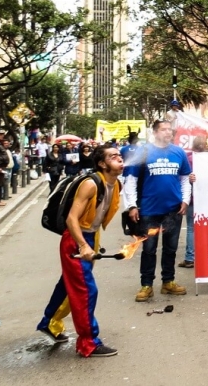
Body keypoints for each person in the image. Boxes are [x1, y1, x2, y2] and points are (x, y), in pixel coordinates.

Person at [36, 145, 123, 358]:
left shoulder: (115, 183)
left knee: (68, 284)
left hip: (90, 237)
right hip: (75, 240)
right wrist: (83, 245)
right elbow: (71, 218)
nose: (119, 159)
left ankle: (49, 322)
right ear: (102, 164)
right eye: (113, 157)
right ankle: (88, 342)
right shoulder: (90, 184)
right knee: (86, 290)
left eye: (120, 155)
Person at [124, 119, 192, 301]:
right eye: (164, 129)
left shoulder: (179, 152)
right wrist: (131, 205)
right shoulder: (143, 151)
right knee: (149, 249)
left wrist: (185, 199)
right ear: (154, 132)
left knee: (170, 248)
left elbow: (185, 177)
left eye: (170, 130)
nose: (168, 132)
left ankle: (168, 282)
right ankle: (146, 285)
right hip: (149, 210)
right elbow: (130, 180)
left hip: (173, 210)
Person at [178, 136, 206, 269]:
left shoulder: (187, 158)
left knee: (191, 228)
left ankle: (190, 258)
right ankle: (207, 255)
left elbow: (182, 178)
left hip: (193, 199)